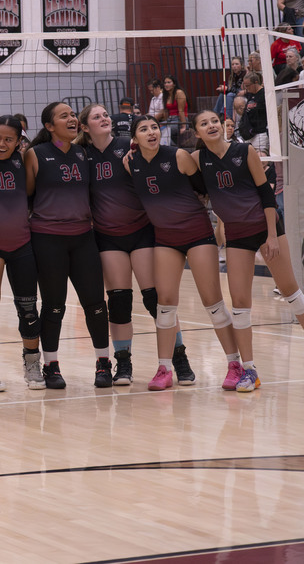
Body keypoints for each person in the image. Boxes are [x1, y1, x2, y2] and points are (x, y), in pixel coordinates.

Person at [76, 105, 194, 386]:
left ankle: (179, 358)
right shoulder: (82, 155)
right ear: (84, 127)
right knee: (118, 303)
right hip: (108, 237)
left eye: (106, 115)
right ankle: (124, 364)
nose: (104, 118)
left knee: (157, 301)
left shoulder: (129, 146)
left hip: (141, 231)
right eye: (97, 117)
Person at [192, 110, 304, 390]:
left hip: (267, 231)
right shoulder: (197, 159)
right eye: (204, 124)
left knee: (291, 293)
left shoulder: (245, 150)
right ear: (197, 133)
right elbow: (170, 162)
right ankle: (250, 371)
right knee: (240, 306)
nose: (211, 126)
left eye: (214, 121)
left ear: (223, 125)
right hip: (237, 237)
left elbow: (266, 194)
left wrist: (272, 235)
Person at [125, 116, 238, 390]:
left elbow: (204, 190)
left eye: (153, 127)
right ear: (135, 138)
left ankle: (234, 364)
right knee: (164, 304)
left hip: (197, 234)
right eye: (144, 129)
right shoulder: (130, 163)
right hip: (165, 239)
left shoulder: (178, 156)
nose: (151, 132)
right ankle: (164, 369)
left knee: (212, 302)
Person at [26, 102, 111, 389]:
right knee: (53, 306)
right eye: (65, 116)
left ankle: (103, 363)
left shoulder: (83, 153)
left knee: (96, 304)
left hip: (83, 237)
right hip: (47, 239)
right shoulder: (35, 155)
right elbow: (25, 197)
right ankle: (51, 365)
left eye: (74, 114)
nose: (72, 118)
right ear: (50, 126)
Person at [0, 115, 43, 389]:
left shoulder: (25, 160)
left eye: (8, 139)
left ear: (19, 141)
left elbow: (30, 191)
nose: (1, 143)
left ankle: (32, 363)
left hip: (22, 243)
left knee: (28, 308)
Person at [237, 72, 269, 154]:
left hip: (260, 133)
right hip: (250, 133)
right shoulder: (250, 95)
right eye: (245, 86)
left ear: (256, 82)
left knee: (260, 157)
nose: (246, 88)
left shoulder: (264, 94)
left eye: (248, 85)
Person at [160, 75, 189, 147]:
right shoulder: (166, 95)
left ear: (174, 84)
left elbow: (181, 110)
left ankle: (172, 147)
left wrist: (184, 126)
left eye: (169, 82)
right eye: (165, 83)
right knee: (157, 128)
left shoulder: (179, 93)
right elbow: (166, 111)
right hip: (170, 120)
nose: (166, 84)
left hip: (180, 120)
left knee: (165, 130)